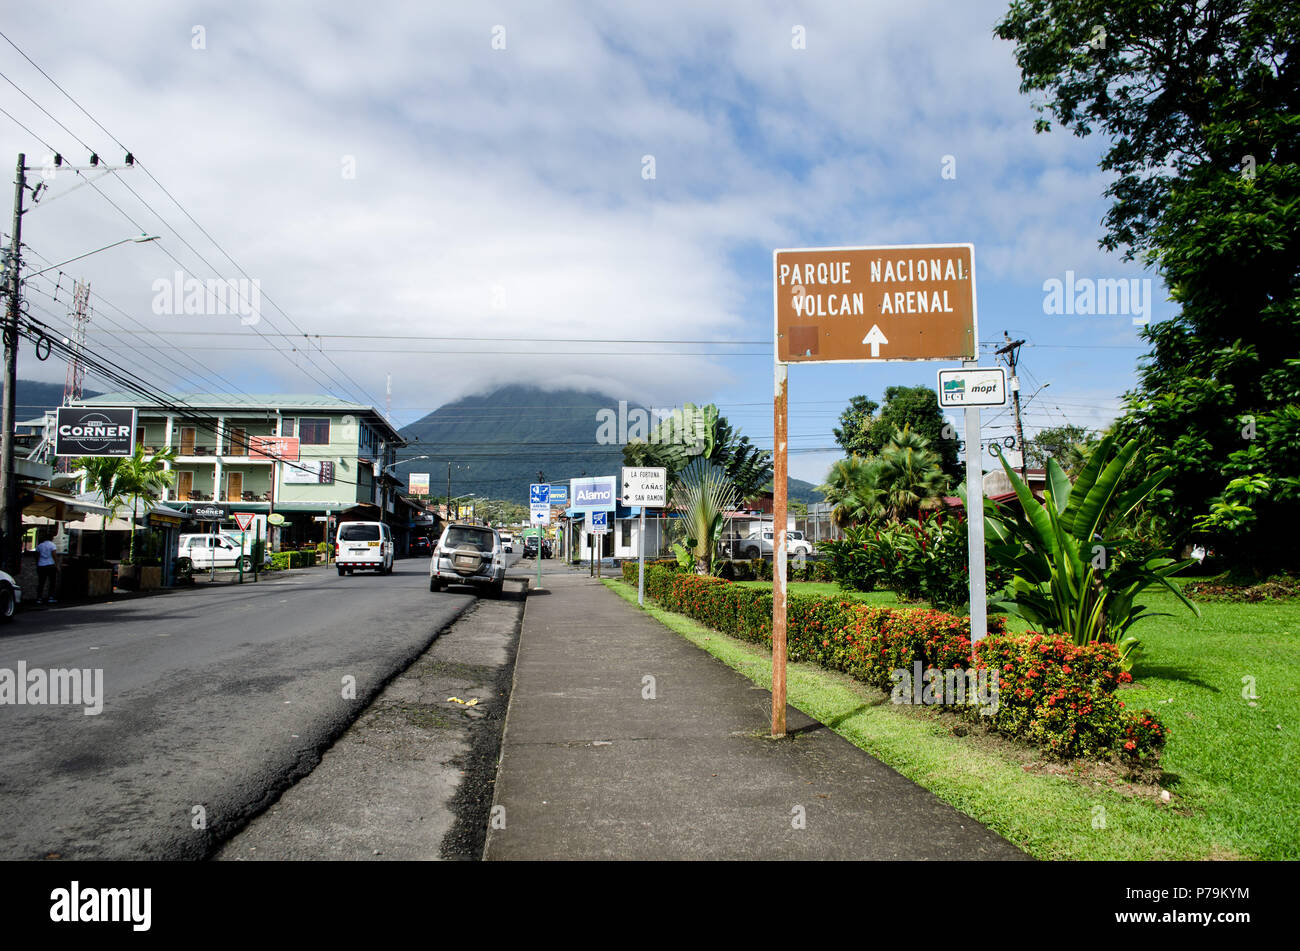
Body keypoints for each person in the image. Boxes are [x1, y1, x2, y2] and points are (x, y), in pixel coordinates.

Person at [35, 533, 59, 604]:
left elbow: (37, 555)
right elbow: (54, 555)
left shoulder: (40, 545)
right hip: (50, 565)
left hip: (41, 565)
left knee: (41, 582)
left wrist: (37, 563)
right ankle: (50, 597)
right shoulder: (52, 545)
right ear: (51, 538)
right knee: (52, 582)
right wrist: (56, 565)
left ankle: (39, 598)